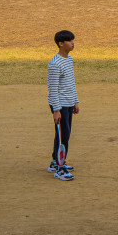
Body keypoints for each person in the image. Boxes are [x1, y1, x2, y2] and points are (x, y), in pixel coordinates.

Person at [47, 30, 79, 181]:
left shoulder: (69, 59)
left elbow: (70, 83)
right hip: (59, 104)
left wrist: (75, 101)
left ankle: (55, 161)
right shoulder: (55, 64)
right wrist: (56, 110)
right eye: (69, 41)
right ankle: (60, 168)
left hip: (68, 103)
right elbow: (52, 88)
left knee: (64, 134)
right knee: (63, 136)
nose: (73, 43)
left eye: (73, 40)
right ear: (61, 43)